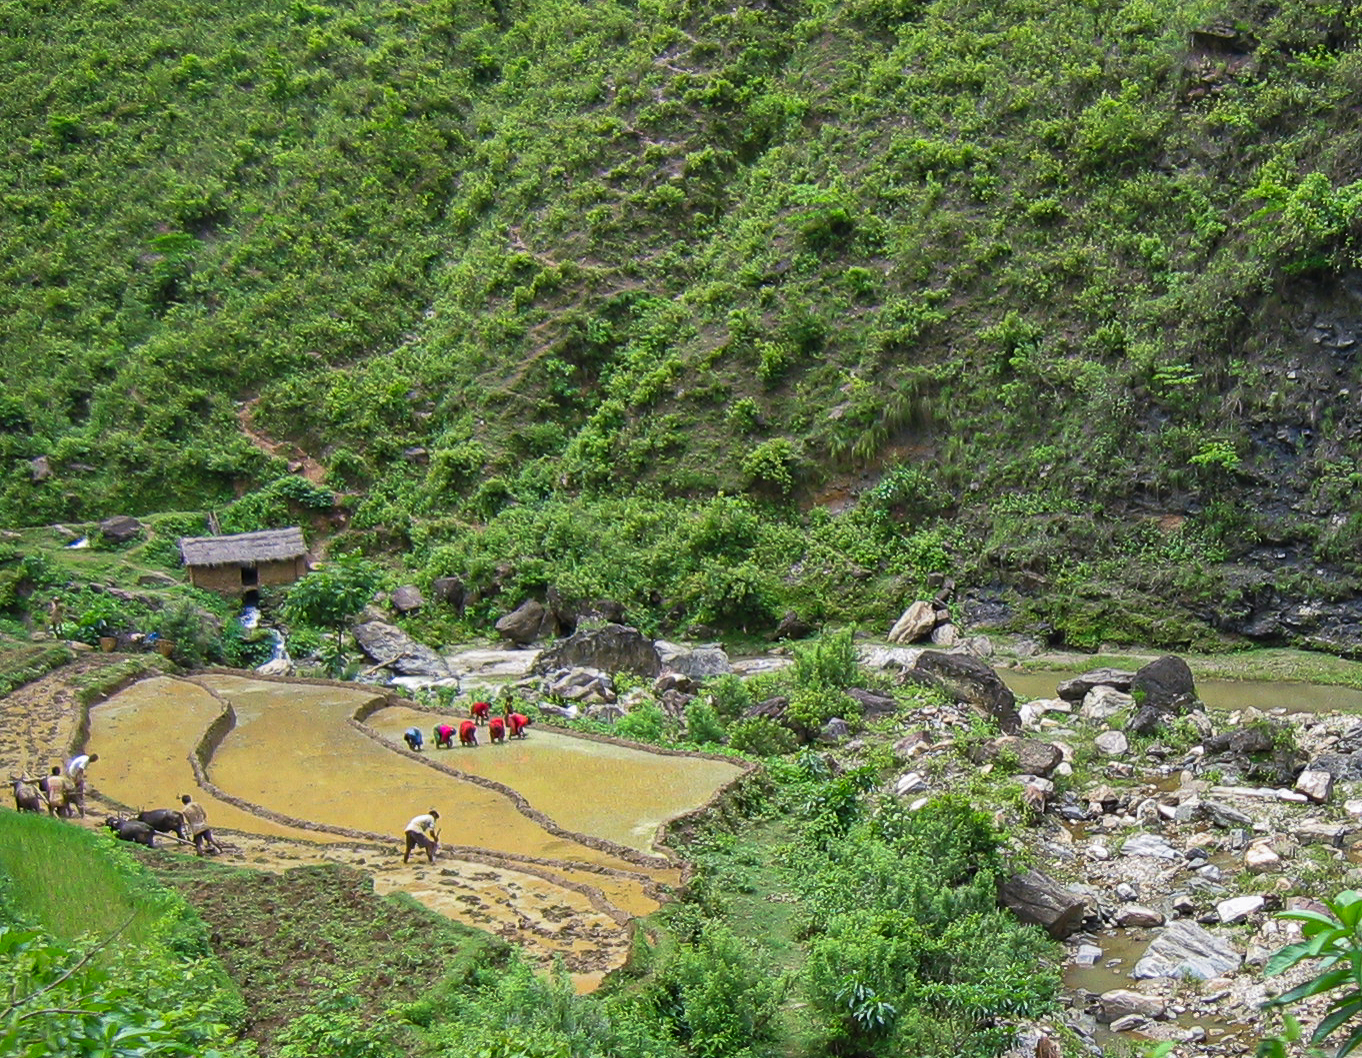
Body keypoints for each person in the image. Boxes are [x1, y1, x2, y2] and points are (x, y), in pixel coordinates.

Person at [65, 752, 98, 818]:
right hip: (73, 771)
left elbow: (81, 770)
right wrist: (77, 779)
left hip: (72, 769)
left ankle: (79, 799)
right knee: (79, 788)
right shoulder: (86, 761)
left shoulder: (86, 757)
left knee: (80, 784)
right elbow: (79, 770)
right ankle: (79, 801)